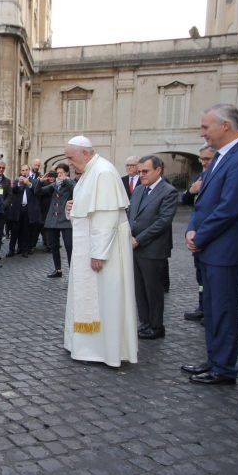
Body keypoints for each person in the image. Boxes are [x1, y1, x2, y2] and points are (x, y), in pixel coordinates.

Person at [183, 104, 238, 385]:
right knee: (213, 309)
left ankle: (224, 367)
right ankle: (214, 359)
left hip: (225, 249)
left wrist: (199, 236)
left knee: (224, 309)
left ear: (225, 126)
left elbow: (229, 208)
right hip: (210, 247)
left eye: (206, 127)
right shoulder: (220, 157)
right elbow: (203, 201)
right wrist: (192, 229)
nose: (202, 132)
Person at [63, 136, 137, 367]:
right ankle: (86, 346)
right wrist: (70, 209)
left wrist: (99, 253)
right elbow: (86, 210)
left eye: (71, 158)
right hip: (91, 246)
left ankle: (103, 350)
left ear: (85, 153)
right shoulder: (89, 172)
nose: (70, 163)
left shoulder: (103, 172)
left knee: (105, 299)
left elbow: (106, 218)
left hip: (104, 251)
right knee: (92, 297)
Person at [128, 155, 179, 340]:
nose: (141, 174)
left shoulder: (169, 192)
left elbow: (163, 221)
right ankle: (145, 323)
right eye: (140, 171)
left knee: (153, 290)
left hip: (152, 249)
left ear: (159, 170)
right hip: (134, 247)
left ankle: (156, 326)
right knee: (139, 289)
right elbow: (131, 215)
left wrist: (139, 239)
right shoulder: (139, 190)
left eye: (145, 171)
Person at [181, 145, 215, 323]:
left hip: (210, 237)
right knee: (200, 277)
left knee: (211, 279)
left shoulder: (218, 177)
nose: (203, 162)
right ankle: (202, 307)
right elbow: (187, 201)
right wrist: (191, 191)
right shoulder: (201, 178)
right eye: (201, 159)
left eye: (207, 159)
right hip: (197, 235)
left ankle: (210, 311)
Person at [36, 162, 75, 278]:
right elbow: (38, 192)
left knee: (69, 246)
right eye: (58, 173)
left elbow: (75, 191)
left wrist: (66, 180)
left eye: (61, 173)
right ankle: (58, 270)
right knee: (54, 246)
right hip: (53, 220)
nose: (59, 175)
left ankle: (72, 272)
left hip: (66, 220)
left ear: (67, 173)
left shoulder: (71, 183)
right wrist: (40, 182)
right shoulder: (54, 185)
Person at [6, 164, 40, 258]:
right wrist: (19, 184)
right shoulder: (17, 181)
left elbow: (36, 191)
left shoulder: (34, 181)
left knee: (26, 230)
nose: (24, 172)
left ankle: (25, 250)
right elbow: (14, 191)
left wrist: (28, 183)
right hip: (18, 209)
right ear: (21, 171)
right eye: (23, 170)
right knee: (14, 231)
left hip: (28, 209)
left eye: (26, 170)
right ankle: (11, 250)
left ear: (29, 171)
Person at [0, 161, 11, 260]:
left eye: (3, 168)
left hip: (2, 211)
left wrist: (4, 205)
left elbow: (9, 195)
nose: (1, 169)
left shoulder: (7, 181)